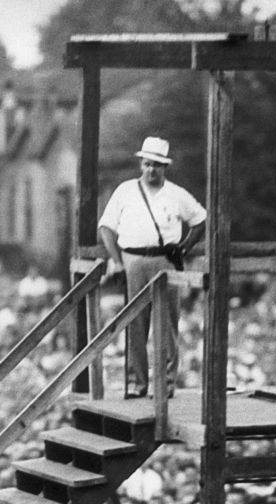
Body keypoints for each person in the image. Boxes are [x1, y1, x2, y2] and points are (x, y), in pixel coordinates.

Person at [98, 136, 206, 398]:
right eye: (147, 164)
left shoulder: (176, 194)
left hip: (164, 261)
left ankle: (166, 384)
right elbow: (106, 228)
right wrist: (117, 260)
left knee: (167, 322)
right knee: (135, 322)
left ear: (164, 167)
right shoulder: (125, 191)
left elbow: (200, 219)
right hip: (132, 260)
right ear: (140, 165)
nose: (151, 170)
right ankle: (137, 383)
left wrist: (184, 247)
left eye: (157, 165)